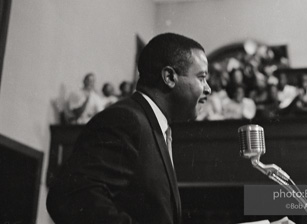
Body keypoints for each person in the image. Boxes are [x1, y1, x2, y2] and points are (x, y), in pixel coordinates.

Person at [46, 33, 211, 224]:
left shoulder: (153, 127)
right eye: (201, 77)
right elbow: (70, 196)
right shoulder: (126, 120)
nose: (208, 88)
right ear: (169, 77)